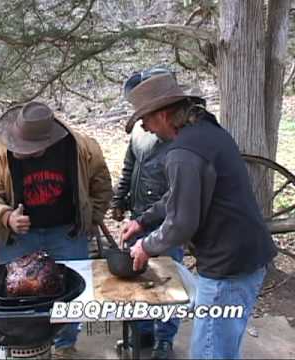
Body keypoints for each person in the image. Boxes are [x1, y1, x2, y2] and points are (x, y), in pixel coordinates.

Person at [120, 73, 278, 359]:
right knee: (223, 347)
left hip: (226, 269)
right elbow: (179, 195)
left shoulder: (183, 151)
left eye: (147, 119)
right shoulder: (207, 133)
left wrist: (146, 246)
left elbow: (180, 223)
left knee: (210, 352)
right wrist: (143, 220)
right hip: (246, 259)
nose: (145, 126)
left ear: (165, 115)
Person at [0, 100, 112, 357]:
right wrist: (5, 217)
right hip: (19, 239)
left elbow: (101, 184)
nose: (19, 151)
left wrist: (92, 219)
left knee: (70, 294)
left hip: (67, 233)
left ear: (46, 142)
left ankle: (65, 346)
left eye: (27, 149)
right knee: (15, 297)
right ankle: (19, 347)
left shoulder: (80, 148)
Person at [111, 67, 206, 359]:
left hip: (169, 222)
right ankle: (143, 334)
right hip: (142, 216)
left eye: (144, 113)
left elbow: (179, 196)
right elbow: (130, 167)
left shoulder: (179, 138)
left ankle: (165, 339)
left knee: (168, 286)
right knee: (137, 284)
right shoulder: (141, 134)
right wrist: (120, 199)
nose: (143, 122)